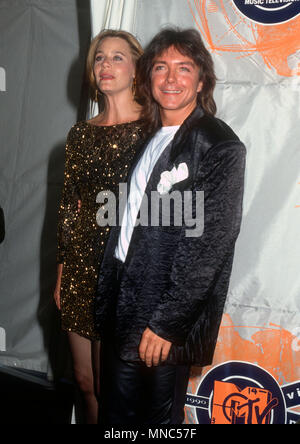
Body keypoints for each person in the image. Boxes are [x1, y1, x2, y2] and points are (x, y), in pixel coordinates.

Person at [95, 27, 246, 425]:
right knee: (116, 419)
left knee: (157, 424)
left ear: (201, 81)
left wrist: (167, 324)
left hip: (160, 321)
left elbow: (209, 247)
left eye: (184, 67)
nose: (171, 78)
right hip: (121, 308)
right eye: (161, 67)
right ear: (147, 78)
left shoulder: (219, 144)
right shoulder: (147, 137)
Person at [54, 29, 145, 424]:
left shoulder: (152, 131)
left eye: (117, 57)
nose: (106, 65)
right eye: (99, 58)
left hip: (122, 272)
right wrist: (61, 274)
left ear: (136, 69)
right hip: (78, 270)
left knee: (112, 388)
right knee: (85, 382)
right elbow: (69, 210)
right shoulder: (80, 134)